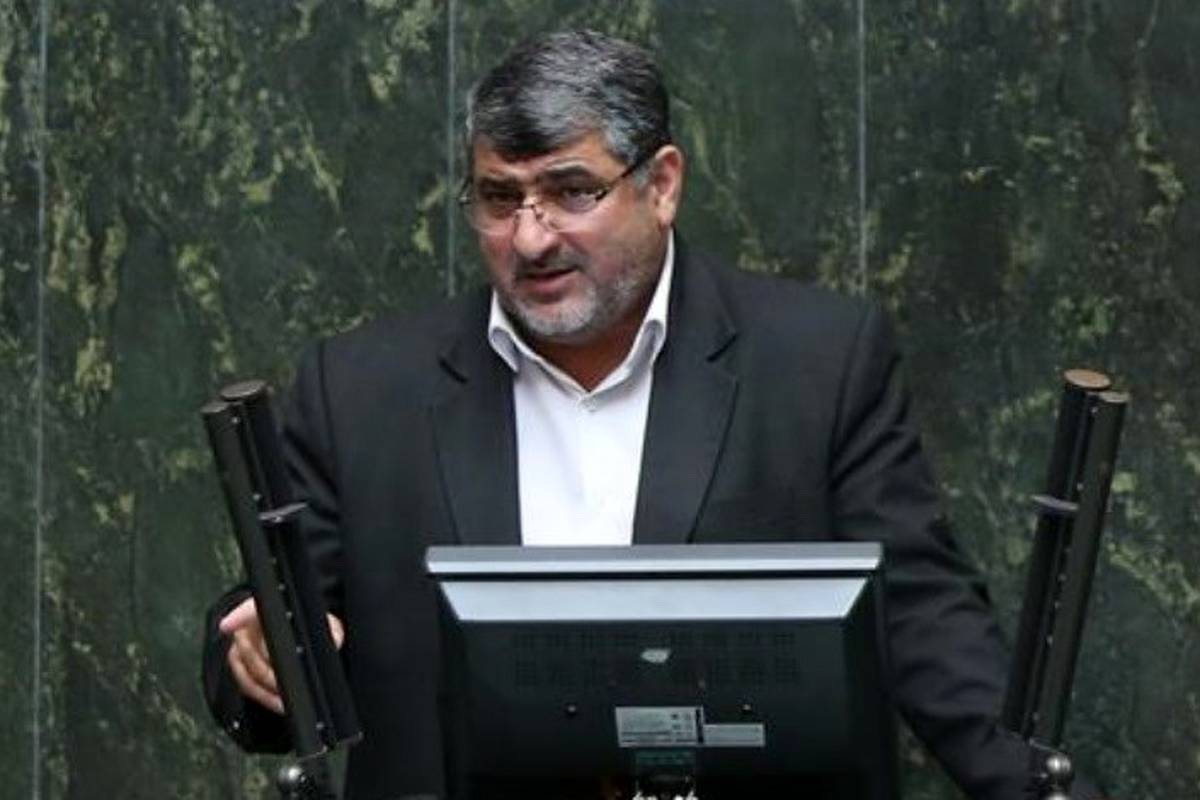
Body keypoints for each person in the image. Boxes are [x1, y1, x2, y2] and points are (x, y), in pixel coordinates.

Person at [203, 29, 1095, 800]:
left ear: (661, 184)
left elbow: (927, 627)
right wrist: (261, 661)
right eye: (500, 198)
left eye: (571, 191)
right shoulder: (363, 388)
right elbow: (270, 628)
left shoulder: (817, 364)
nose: (530, 237)